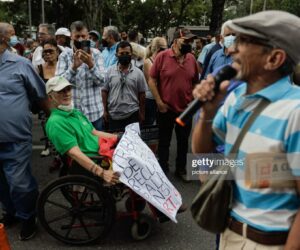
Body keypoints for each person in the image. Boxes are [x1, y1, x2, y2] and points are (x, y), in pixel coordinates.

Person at [192, 11, 300, 250]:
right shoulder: (235, 97)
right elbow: (202, 157)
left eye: (243, 42)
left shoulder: (295, 111)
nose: (231, 50)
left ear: (274, 59)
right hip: (228, 234)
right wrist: (207, 112)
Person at [0, 22, 50, 241]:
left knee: (19, 182)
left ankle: (28, 216)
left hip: (16, 137)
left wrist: (54, 119)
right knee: (1, 183)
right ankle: (11, 212)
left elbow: (40, 95)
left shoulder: (21, 64)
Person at [45, 76, 120, 184]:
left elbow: (94, 132)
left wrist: (118, 137)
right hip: (95, 159)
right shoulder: (56, 122)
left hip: (102, 150)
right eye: (60, 91)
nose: (66, 93)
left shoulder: (75, 112)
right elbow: (74, 153)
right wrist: (102, 173)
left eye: (68, 89)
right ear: (51, 97)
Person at [148, 28, 199, 181]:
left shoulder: (191, 59)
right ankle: (163, 171)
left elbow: (195, 82)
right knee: (164, 142)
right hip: (166, 108)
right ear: (176, 40)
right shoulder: (162, 57)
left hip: (186, 109)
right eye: (186, 41)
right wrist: (159, 101)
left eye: (191, 41)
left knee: (183, 143)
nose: (190, 44)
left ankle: (181, 170)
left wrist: (193, 102)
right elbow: (152, 80)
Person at [56, 21, 105, 131]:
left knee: (96, 147)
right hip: (73, 114)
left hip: (94, 114)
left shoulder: (96, 54)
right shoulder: (65, 56)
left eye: (83, 36)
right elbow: (58, 84)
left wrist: (91, 65)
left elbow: (102, 82)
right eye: (77, 36)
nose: (80, 39)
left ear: (88, 36)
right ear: (71, 37)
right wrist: (73, 68)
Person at [102, 41, 146, 131]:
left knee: (133, 143)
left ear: (131, 54)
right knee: (116, 144)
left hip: (132, 114)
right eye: (121, 53)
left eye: (127, 53)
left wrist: (142, 112)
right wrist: (104, 110)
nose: (124, 55)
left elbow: (142, 94)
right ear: (116, 55)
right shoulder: (109, 71)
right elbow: (104, 91)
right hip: (113, 115)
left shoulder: (138, 73)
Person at [36, 39, 60, 160]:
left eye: (50, 51)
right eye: (44, 52)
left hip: (62, 108)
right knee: (50, 136)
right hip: (46, 109)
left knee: (63, 137)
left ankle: (64, 161)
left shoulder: (63, 66)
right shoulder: (39, 69)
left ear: (57, 50)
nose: (47, 54)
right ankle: (56, 159)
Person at [143, 37, 168, 125]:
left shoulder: (164, 60)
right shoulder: (148, 62)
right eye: (164, 49)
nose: (167, 51)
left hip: (162, 99)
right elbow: (153, 83)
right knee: (150, 126)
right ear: (157, 49)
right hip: (151, 99)